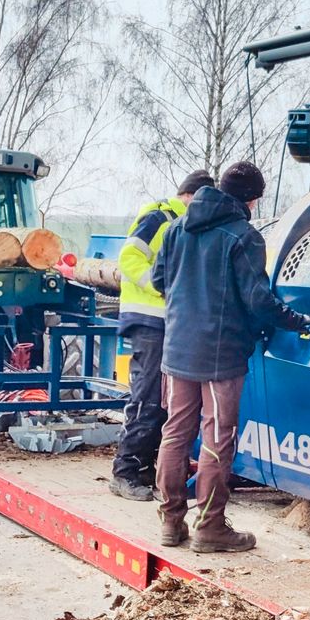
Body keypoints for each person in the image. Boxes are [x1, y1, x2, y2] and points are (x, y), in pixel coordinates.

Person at [152, 161, 310, 552]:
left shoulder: (176, 229)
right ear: (251, 200)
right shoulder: (243, 236)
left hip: (176, 349)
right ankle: (209, 528)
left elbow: (159, 280)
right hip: (221, 356)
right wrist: (297, 321)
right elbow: (258, 301)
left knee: (174, 433)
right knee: (217, 437)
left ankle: (171, 524)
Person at [109, 169, 214, 502]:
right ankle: (125, 473)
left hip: (168, 322)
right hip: (149, 318)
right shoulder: (161, 218)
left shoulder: (185, 224)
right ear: (193, 196)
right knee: (149, 397)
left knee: (167, 402)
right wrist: (159, 287)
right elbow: (129, 257)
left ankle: (149, 469)